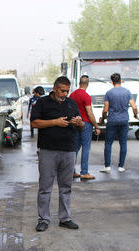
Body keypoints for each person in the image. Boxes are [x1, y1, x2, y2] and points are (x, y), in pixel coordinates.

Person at [30, 76, 84, 232]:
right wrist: (55, 122)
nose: (65, 94)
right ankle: (43, 219)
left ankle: (65, 218)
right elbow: (34, 123)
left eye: (67, 91)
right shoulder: (42, 103)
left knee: (66, 187)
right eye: (62, 91)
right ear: (54, 88)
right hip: (48, 150)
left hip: (68, 150)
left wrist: (79, 122)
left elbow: (81, 126)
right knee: (45, 187)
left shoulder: (71, 103)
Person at [100, 73, 138, 173]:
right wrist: (135, 115)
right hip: (124, 120)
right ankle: (121, 166)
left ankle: (107, 166)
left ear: (112, 82)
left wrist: (103, 118)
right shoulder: (127, 92)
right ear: (121, 81)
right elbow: (134, 106)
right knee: (123, 143)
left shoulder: (109, 93)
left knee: (108, 143)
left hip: (112, 120)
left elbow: (105, 109)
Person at [69, 75, 101, 179]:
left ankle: (72, 171)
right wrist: (96, 126)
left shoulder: (72, 95)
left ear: (79, 83)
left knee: (75, 148)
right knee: (86, 148)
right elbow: (89, 113)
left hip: (74, 123)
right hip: (85, 123)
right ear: (87, 84)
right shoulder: (86, 96)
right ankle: (84, 172)